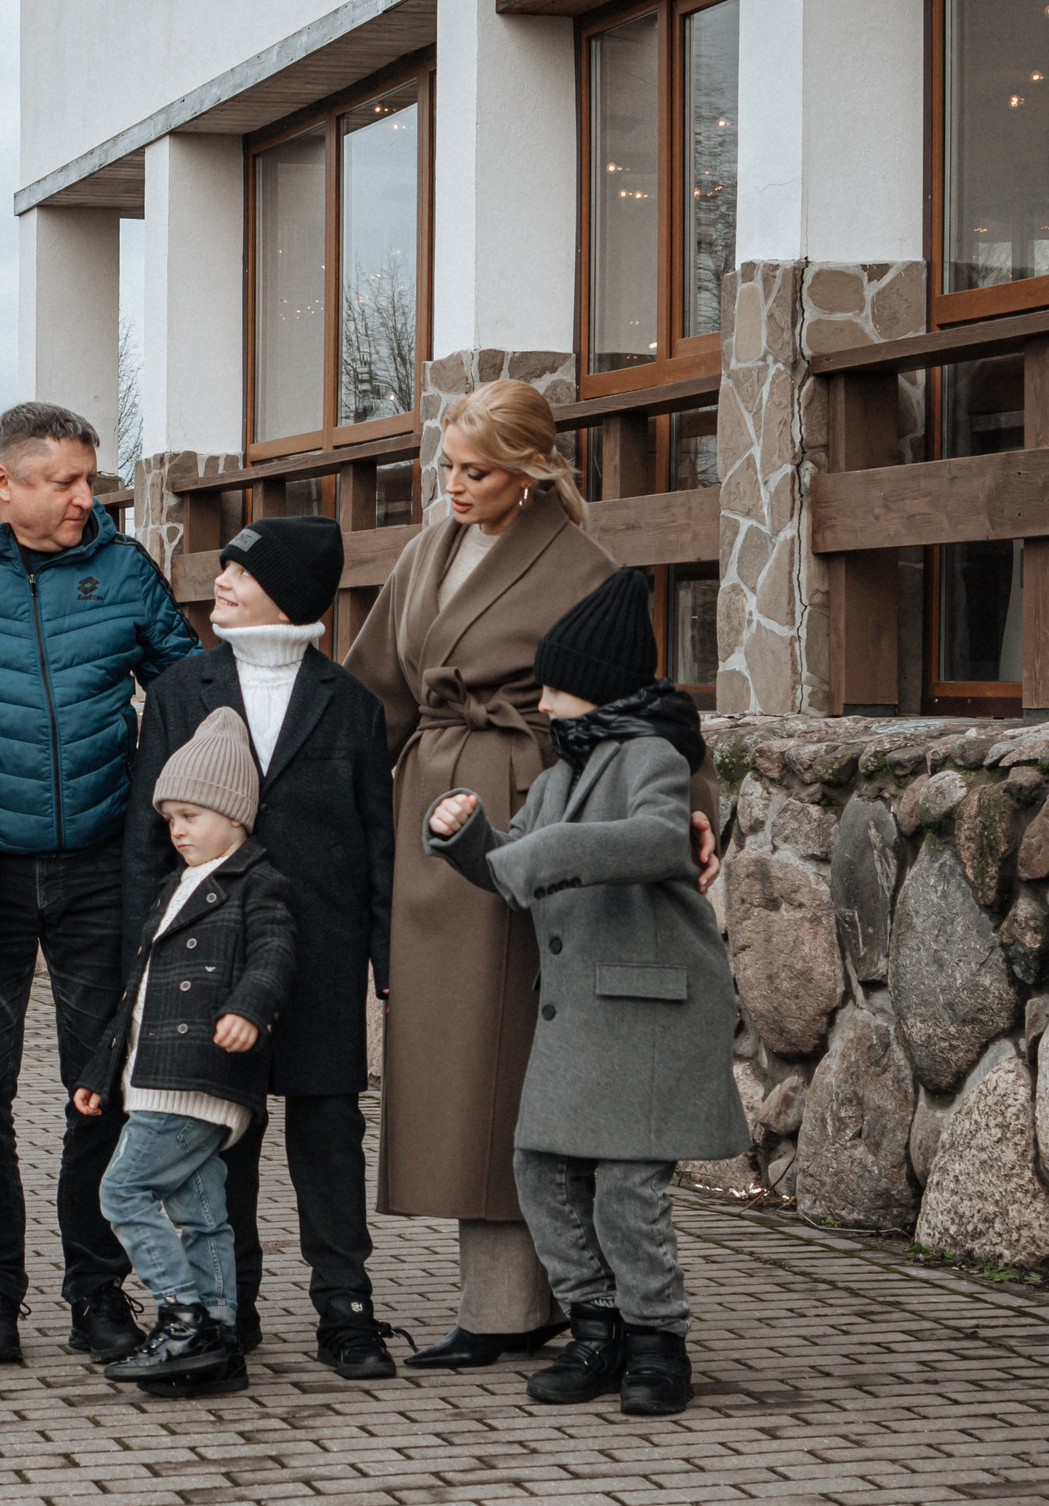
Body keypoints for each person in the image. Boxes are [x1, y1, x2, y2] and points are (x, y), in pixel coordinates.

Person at [344, 377, 718, 1371]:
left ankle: (532, 1307)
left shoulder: (586, 565)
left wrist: (692, 806)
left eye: (476, 472)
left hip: (536, 817)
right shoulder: (428, 552)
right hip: (436, 824)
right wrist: (320, 804)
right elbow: (369, 694)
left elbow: (649, 707)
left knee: (510, 1064)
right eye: (448, 468)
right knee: (455, 1062)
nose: (454, 487)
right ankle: (528, 1303)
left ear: (530, 471)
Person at [0, 402, 203, 1366]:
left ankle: (100, 1292)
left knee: (99, 1086)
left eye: (90, 480)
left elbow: (187, 693)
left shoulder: (123, 568)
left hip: (104, 863)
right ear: (1, 482)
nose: (82, 499)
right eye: (62, 481)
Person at [422, 569, 745, 1416]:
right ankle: (595, 1328)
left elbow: (654, 838)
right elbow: (514, 867)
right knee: (540, 1167)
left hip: (644, 1006)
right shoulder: (562, 770)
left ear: (599, 684)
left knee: (630, 1187)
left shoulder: (654, 753)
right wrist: (465, 836)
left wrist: (544, 848)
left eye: (558, 681)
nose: (543, 696)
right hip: (580, 1012)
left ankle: (657, 1340)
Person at [123, 515, 399, 1378]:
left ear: (289, 591)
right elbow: (145, 832)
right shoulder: (179, 688)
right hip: (208, 959)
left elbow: (378, 841)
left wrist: (389, 966)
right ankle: (225, 1304)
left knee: (328, 1131)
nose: (222, 585)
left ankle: (345, 1308)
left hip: (320, 956)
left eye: (241, 572)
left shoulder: (349, 702)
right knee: (219, 1137)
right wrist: (146, 955)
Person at [75, 708, 298, 1399]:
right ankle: (219, 1343)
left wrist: (247, 1007)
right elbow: (133, 996)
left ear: (235, 816)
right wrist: (97, 1075)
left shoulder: (255, 882)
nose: (177, 828)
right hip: (152, 1078)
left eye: (192, 814)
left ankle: (182, 1314)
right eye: (170, 816)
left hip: (196, 1076)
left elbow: (275, 952)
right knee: (201, 1213)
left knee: (123, 1189)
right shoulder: (175, 887)